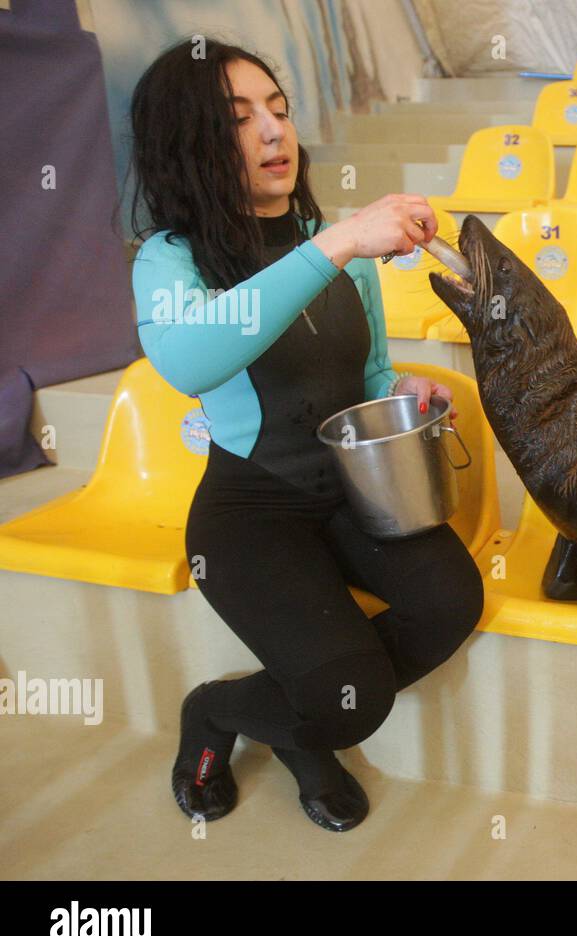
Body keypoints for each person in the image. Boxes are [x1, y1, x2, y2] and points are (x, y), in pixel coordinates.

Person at [128, 39, 483, 832]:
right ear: (186, 140)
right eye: (239, 117)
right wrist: (341, 241)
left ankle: (297, 715)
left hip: (357, 493)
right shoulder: (169, 259)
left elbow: (368, 374)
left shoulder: (336, 245)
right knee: (349, 701)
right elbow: (188, 359)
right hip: (250, 510)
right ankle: (217, 712)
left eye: (280, 110)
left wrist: (400, 391)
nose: (273, 131)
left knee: (451, 603)